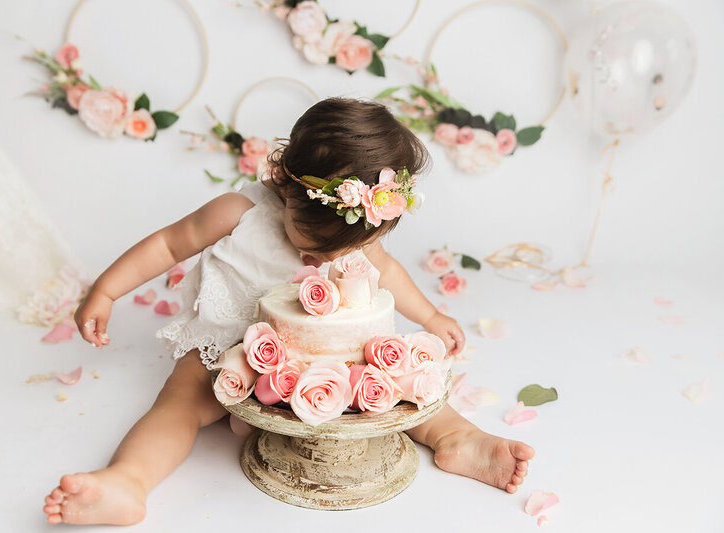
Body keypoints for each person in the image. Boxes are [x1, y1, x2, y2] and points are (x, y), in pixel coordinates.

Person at [42, 98, 534, 525]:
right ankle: (128, 481)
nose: (323, 261)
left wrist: (430, 318)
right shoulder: (239, 213)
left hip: (327, 367)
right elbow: (169, 244)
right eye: (313, 243)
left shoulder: (359, 236)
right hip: (229, 355)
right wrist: (106, 290)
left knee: (398, 387)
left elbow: (391, 274)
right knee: (180, 403)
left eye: (344, 250)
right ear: (284, 181)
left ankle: (460, 439)